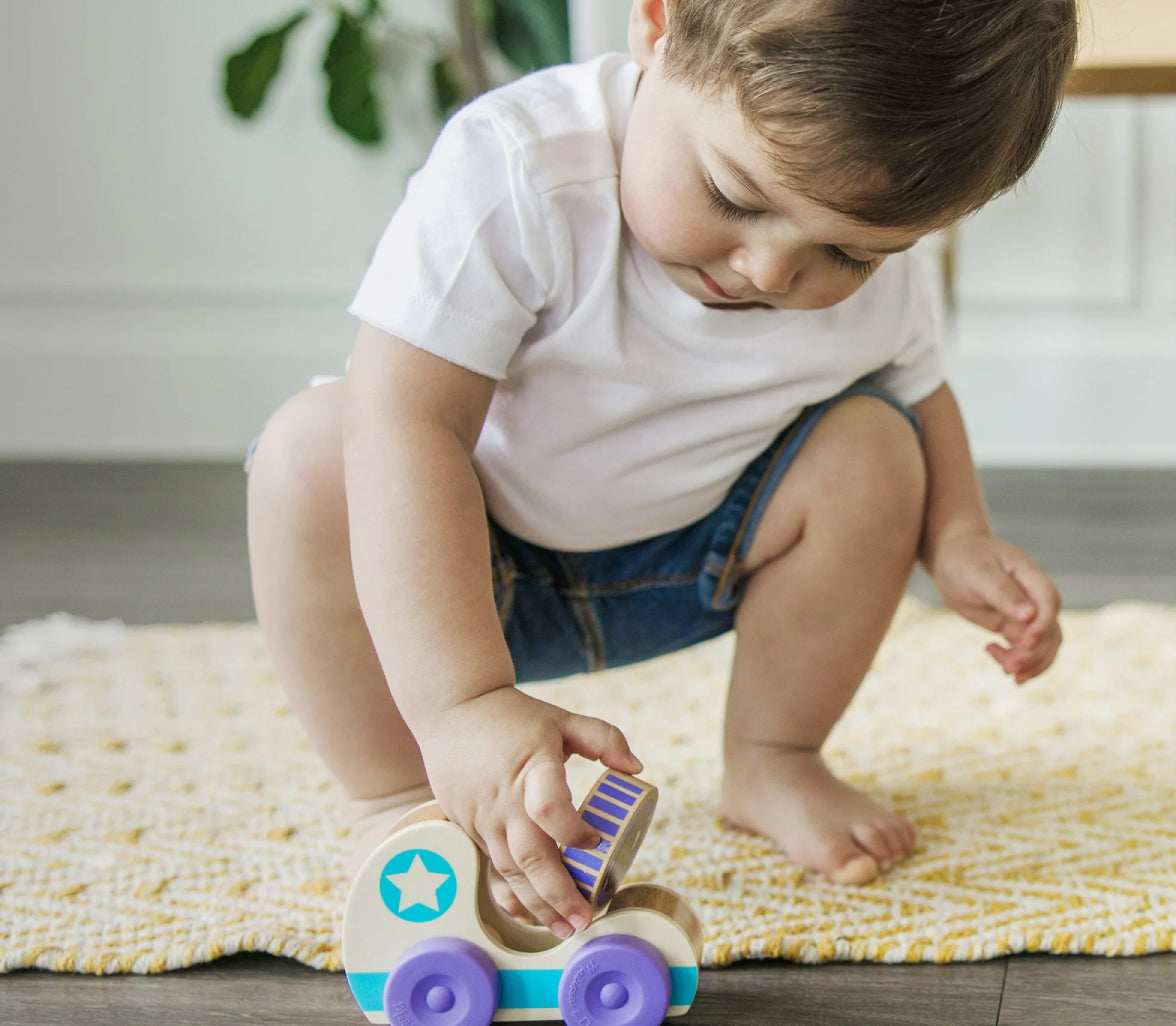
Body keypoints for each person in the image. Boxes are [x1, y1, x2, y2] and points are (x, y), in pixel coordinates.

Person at [246, 0, 1073, 939]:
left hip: (695, 563)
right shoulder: (519, 170)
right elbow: (407, 420)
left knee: (876, 447)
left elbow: (919, 387)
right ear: (657, 26)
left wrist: (959, 535)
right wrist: (462, 703)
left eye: (847, 253)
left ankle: (774, 755)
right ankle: (397, 797)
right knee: (311, 454)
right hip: (462, 576)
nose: (770, 269)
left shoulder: (872, 257)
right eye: (736, 196)